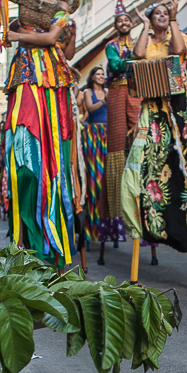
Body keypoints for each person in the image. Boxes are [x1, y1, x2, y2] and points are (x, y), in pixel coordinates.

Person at [3, 0, 80, 266]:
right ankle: (20, 237)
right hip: (23, 74)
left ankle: (47, 236)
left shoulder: (62, 7)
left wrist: (18, 36)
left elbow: (50, 39)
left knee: (50, 148)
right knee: (20, 138)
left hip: (49, 77)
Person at [121, 0, 187, 264]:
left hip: (179, 107)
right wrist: (145, 26)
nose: (160, 15)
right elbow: (137, 56)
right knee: (138, 167)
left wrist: (173, 18)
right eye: (156, 13)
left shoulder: (174, 35)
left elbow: (180, 51)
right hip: (152, 109)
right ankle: (144, 225)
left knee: (182, 168)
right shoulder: (147, 41)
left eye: (164, 13)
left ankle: (186, 227)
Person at [102, 0, 139, 252]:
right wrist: (134, 59)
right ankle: (115, 214)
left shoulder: (138, 43)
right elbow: (115, 65)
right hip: (116, 93)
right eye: (119, 20)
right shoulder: (111, 46)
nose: (124, 22)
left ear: (131, 23)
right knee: (116, 146)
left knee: (140, 140)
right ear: (116, 26)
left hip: (136, 92)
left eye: (126, 19)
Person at [81, 66, 116, 264]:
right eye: (98, 74)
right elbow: (91, 109)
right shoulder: (87, 92)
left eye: (103, 74)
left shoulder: (109, 92)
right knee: (93, 183)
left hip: (107, 135)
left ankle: (106, 229)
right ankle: (90, 229)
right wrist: (104, 99)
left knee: (107, 183)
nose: (102, 77)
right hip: (93, 136)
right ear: (92, 77)